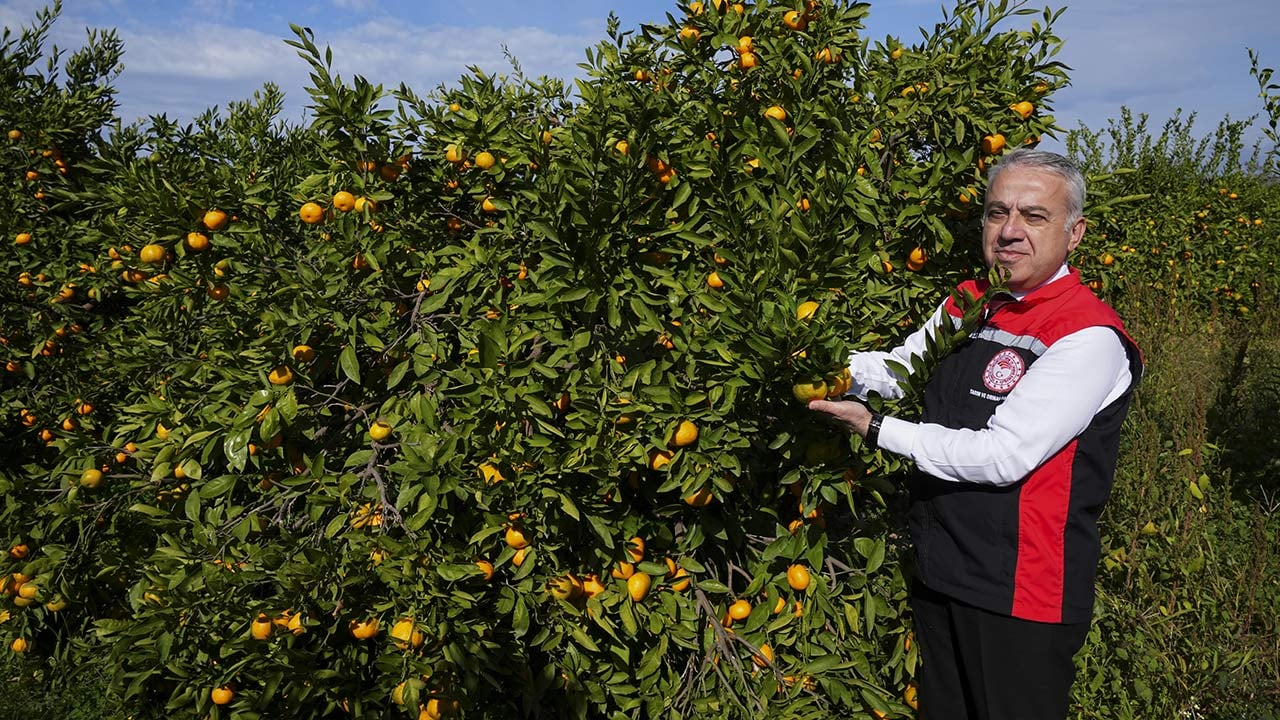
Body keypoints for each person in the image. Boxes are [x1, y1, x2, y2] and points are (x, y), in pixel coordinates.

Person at [808, 149, 1143, 720]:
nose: (1009, 231)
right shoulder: (971, 301)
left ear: (1074, 232)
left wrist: (876, 428)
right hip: (945, 566)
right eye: (996, 213)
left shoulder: (1087, 335)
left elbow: (1002, 457)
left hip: (1021, 590)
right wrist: (831, 367)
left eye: (1033, 217)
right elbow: (902, 366)